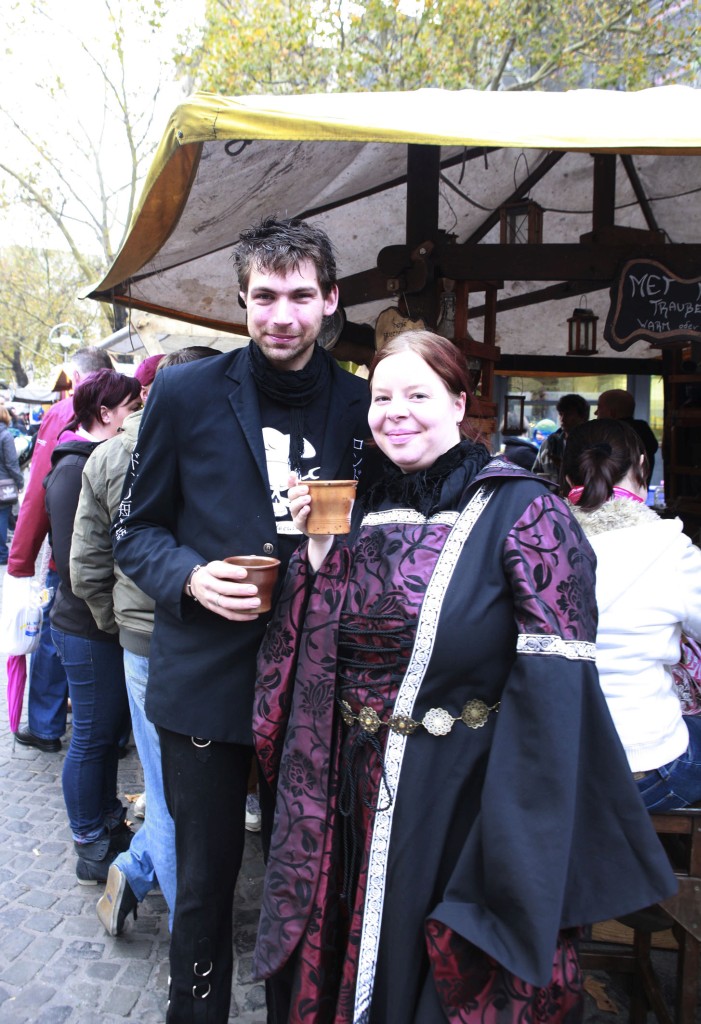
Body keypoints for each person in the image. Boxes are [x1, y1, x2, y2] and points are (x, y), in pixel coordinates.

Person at [253, 330, 676, 1024]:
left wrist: (518, 830)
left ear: (458, 403)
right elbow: (307, 656)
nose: (395, 412)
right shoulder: (352, 506)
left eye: (416, 395)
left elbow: (556, 689)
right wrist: (318, 551)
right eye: (381, 397)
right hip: (347, 789)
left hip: (461, 794)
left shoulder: (525, 511)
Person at [111, 216, 376, 1023]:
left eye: (299, 296)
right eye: (264, 297)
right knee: (203, 882)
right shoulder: (186, 392)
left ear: (329, 299)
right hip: (206, 679)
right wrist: (191, 578)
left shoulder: (363, 404)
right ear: (242, 300)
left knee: (311, 877)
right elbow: (135, 530)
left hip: (320, 683)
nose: (281, 316)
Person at [70, 348, 218, 937]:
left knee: (167, 784)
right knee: (184, 790)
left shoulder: (108, 456)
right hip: (209, 637)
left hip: (150, 641)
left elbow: (86, 567)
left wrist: (121, 624)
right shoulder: (218, 446)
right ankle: (189, 937)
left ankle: (137, 873)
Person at [563, 417, 701, 811]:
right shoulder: (672, 552)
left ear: (567, 475)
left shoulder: (536, 546)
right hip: (644, 768)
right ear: (642, 465)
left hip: (551, 766)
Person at [45, 369, 143, 884]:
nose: (139, 414)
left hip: (100, 624)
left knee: (106, 735)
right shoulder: (73, 468)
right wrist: (110, 616)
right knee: (90, 735)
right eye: (132, 405)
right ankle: (88, 840)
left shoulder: (96, 459)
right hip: (85, 627)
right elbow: (74, 563)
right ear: (106, 413)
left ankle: (107, 820)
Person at [12, 346, 114, 753]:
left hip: (69, 556)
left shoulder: (64, 412)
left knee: (58, 636)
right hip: (112, 559)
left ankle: (46, 725)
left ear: (76, 376)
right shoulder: (123, 411)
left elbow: (39, 493)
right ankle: (106, 729)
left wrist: (20, 560)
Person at [595, 388, 658, 486]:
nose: (595, 413)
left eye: (599, 407)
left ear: (612, 413)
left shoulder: (609, 436)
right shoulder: (644, 434)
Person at [532, 392, 589, 487]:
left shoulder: (591, 444)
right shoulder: (549, 444)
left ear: (582, 417)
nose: (562, 419)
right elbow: (536, 474)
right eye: (560, 414)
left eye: (568, 414)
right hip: (550, 495)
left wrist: (564, 467)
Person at [0, 406, 25, 564]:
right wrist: (20, 482)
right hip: (3, 484)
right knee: (2, 516)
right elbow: (11, 463)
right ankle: (2, 554)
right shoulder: (5, 435)